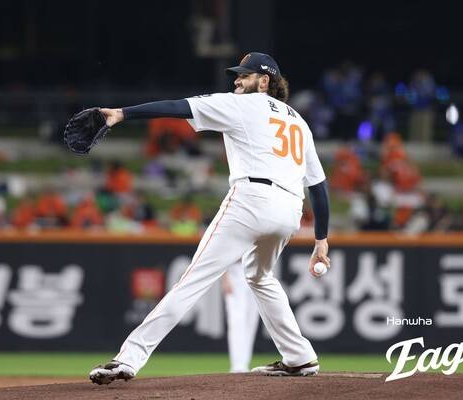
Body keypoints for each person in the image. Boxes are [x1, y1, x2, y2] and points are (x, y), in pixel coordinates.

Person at [88, 52, 330, 384]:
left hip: (252, 200)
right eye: (237, 75)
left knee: (192, 280)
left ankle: (128, 359)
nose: (237, 81)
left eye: (244, 75)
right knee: (260, 276)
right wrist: (321, 240)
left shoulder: (243, 104)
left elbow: (179, 107)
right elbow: (318, 185)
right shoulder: (299, 122)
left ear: (264, 82)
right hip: (289, 210)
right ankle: (300, 357)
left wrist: (122, 113)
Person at [222, 262, 260, 373]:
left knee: (251, 321)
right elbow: (220, 253)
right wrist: (225, 278)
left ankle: (244, 364)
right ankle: (238, 366)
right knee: (237, 321)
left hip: (256, 269)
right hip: (235, 270)